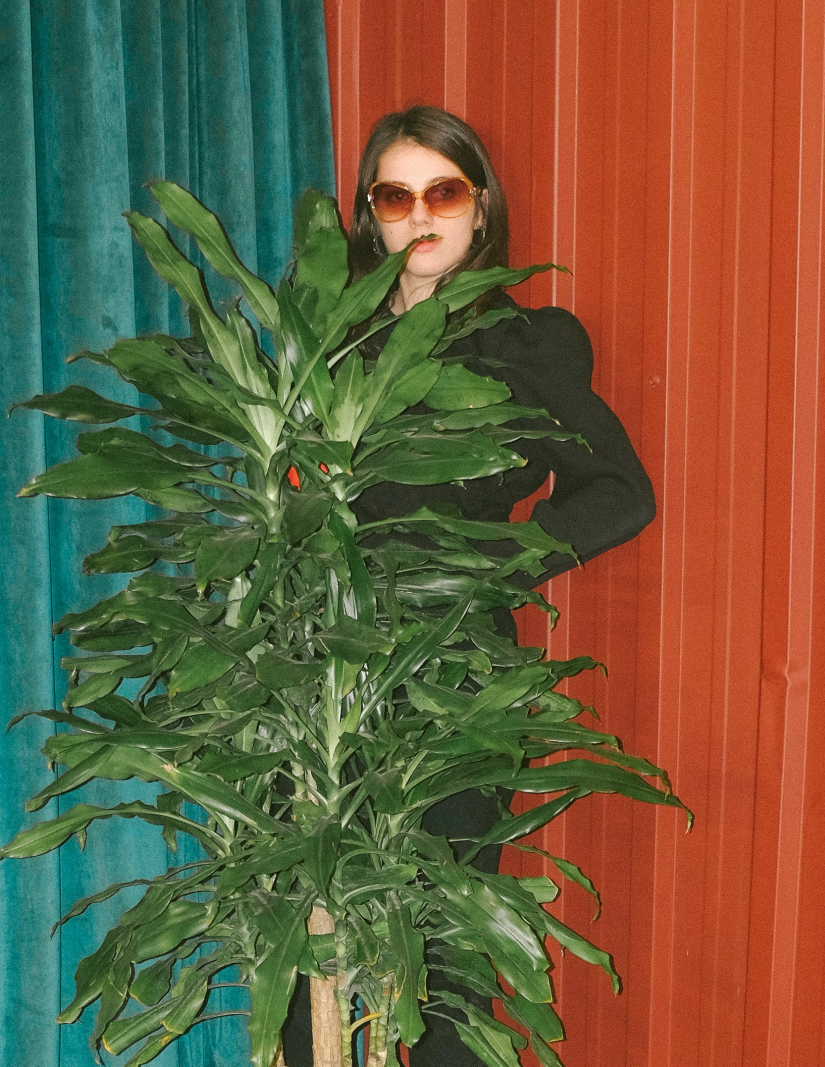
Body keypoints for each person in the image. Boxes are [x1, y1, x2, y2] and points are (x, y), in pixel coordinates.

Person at [281, 105, 655, 1067]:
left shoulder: (528, 343)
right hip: (329, 672)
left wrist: (495, 559)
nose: (420, 215)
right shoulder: (333, 345)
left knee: (447, 949)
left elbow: (620, 490)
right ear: (371, 217)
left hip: (458, 679)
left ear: (480, 208)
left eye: (442, 191)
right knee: (303, 942)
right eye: (394, 196)